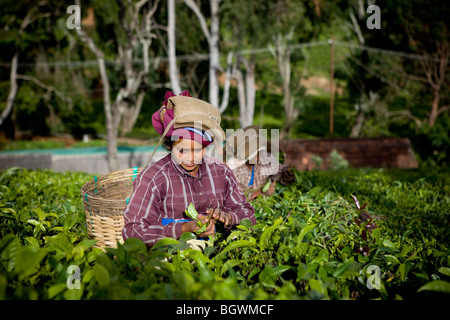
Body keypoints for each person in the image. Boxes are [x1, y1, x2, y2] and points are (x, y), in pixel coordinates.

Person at [122, 92, 256, 247]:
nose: (191, 159)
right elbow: (133, 231)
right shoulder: (153, 178)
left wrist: (228, 217)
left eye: (197, 150)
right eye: (182, 151)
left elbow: (248, 215)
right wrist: (183, 229)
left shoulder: (222, 173)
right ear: (170, 146)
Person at [224, 125, 296, 200]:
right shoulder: (234, 170)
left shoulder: (265, 160)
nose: (257, 158)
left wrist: (288, 172)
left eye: (258, 153)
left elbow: (280, 172)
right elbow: (231, 196)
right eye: (253, 154)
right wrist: (260, 194)